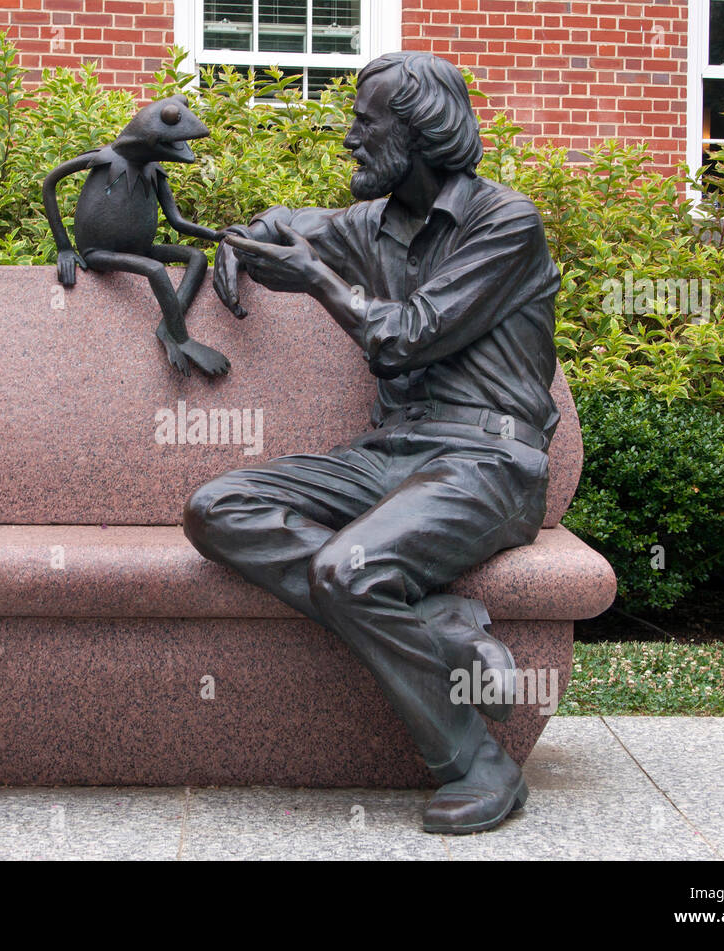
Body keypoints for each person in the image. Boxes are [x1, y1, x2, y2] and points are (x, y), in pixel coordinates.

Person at [183, 51, 562, 834]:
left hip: (489, 463)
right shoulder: (373, 224)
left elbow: (407, 337)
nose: (350, 139)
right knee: (218, 507)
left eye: (365, 123)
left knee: (346, 569)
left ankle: (476, 762)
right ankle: (443, 627)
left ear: (418, 132)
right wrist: (247, 239)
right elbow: (290, 225)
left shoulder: (505, 223)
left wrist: (319, 281)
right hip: (390, 456)